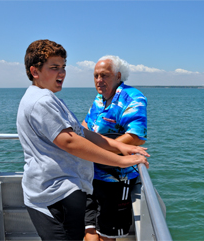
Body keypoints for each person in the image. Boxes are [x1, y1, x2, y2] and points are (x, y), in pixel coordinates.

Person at [16, 40, 149, 241]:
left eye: (63, 67)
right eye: (54, 68)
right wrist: (121, 159)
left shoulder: (52, 98)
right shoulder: (42, 100)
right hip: (54, 193)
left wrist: (120, 146)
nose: (61, 73)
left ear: (118, 76)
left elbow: (82, 132)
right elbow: (71, 141)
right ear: (35, 72)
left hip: (74, 186)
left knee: (96, 232)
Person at [82, 55, 147, 241]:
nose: (99, 80)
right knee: (89, 229)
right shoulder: (99, 98)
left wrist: (102, 151)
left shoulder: (133, 98)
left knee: (107, 235)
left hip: (116, 180)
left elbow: (136, 136)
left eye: (104, 75)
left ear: (118, 76)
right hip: (91, 173)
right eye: (95, 76)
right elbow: (86, 125)